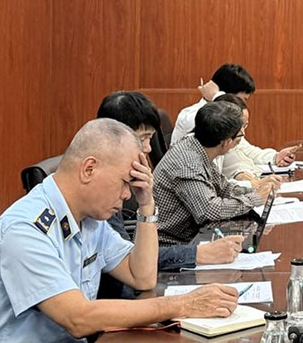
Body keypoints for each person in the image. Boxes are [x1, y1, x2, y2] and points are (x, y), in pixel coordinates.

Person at [0, 119, 239, 341]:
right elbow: (77, 318)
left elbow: (142, 277)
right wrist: (183, 304)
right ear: (89, 169)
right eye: (125, 182)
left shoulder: (90, 220)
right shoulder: (25, 229)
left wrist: (147, 205)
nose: (126, 194)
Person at [96, 91, 247, 272]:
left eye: (150, 138)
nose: (148, 148)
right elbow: (129, 262)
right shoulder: (100, 190)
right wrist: (199, 254)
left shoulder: (126, 182)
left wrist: (146, 205)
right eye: (142, 138)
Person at [155, 101, 269, 246]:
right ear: (227, 142)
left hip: (195, 234)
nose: (243, 136)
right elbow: (210, 210)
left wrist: (254, 190)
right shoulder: (189, 164)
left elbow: (222, 188)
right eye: (241, 134)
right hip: (171, 246)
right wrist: (255, 199)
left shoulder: (197, 145)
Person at [171, 63, 299, 166]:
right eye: (242, 100)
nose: (242, 106)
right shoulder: (191, 116)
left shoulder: (229, 124)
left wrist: (275, 157)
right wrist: (218, 96)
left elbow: (244, 149)